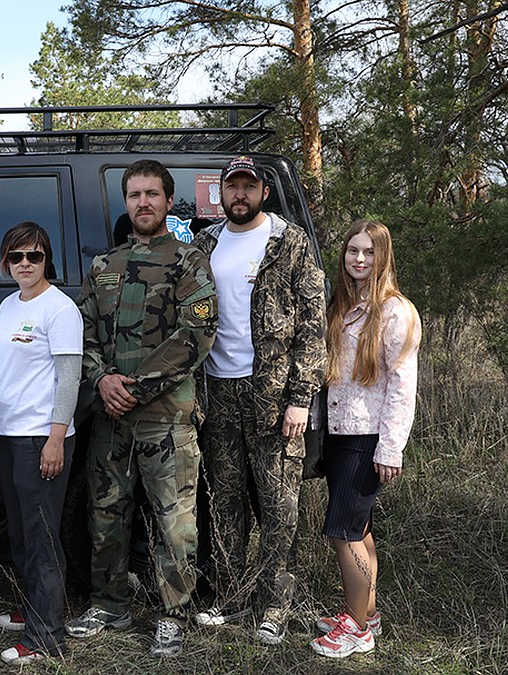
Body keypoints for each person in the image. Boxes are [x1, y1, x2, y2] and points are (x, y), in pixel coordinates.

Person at [67, 159, 218, 657]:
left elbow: (196, 335)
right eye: (135, 195)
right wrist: (102, 379)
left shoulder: (189, 262)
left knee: (174, 520)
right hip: (110, 417)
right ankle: (109, 603)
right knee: (106, 513)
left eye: (153, 194)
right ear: (126, 201)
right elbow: (83, 332)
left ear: (169, 201)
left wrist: (136, 385)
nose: (144, 203)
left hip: (166, 417)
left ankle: (173, 614)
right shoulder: (104, 266)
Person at [191, 155, 327, 645]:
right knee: (224, 502)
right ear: (222, 194)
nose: (240, 195)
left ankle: (275, 604)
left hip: (273, 397)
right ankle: (228, 595)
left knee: (279, 506)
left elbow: (313, 328)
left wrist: (300, 398)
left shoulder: (289, 243)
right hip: (218, 392)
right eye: (233, 187)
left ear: (263, 192)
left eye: (249, 186)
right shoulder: (205, 245)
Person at [311, 219, 420, 658]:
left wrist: (390, 448)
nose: (359, 259)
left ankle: (357, 629)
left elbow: (402, 385)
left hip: (367, 435)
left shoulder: (396, 311)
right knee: (361, 527)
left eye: (369, 252)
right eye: (352, 250)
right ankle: (366, 610)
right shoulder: (342, 303)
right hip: (338, 430)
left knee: (343, 532)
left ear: (383, 257)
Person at [0, 222, 83, 665]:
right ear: (5, 261)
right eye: (16, 256)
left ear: (48, 260)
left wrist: (55, 439)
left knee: (42, 537)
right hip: (6, 436)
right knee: (22, 532)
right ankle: (33, 610)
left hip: (39, 439)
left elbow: (69, 378)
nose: (25, 264)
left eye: (35, 256)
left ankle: (47, 637)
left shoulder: (60, 309)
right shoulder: (8, 305)